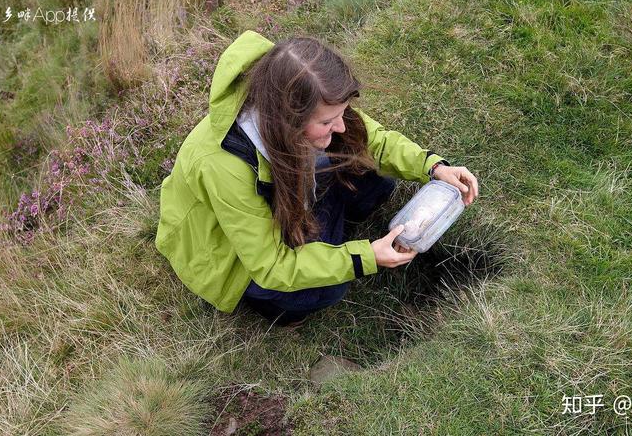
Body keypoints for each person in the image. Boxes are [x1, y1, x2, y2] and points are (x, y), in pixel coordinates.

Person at [154, 30, 478, 327]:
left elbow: (370, 138)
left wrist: (433, 167)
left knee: (374, 181)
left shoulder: (298, 87)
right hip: (228, 254)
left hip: (283, 196)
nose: (339, 127)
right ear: (287, 121)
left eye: (341, 114)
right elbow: (271, 267)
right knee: (321, 293)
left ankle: (322, 235)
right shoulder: (225, 167)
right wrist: (364, 256)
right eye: (327, 122)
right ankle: (314, 255)